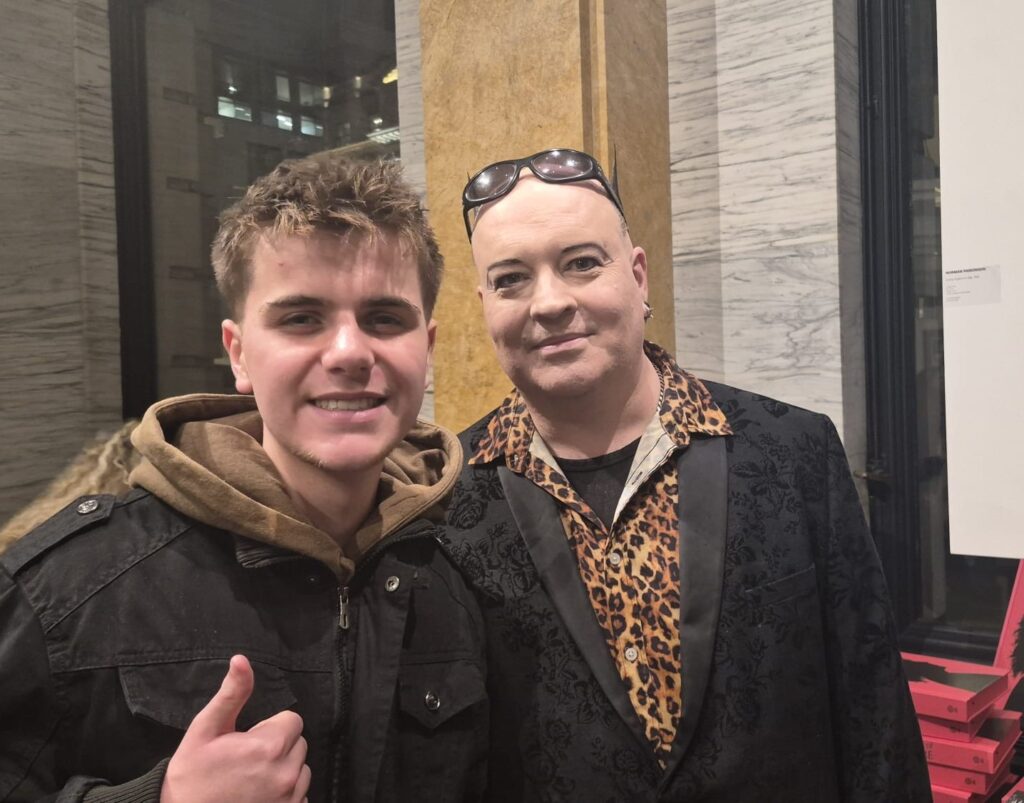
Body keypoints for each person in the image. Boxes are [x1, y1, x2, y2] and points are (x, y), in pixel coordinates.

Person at [444, 148, 930, 801]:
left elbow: (875, 716)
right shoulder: (448, 501)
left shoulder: (793, 452)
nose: (550, 302)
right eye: (511, 279)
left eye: (582, 263)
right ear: (484, 306)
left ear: (638, 276)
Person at [0, 154, 487, 802]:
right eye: (301, 318)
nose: (349, 353)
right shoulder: (70, 589)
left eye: (384, 318)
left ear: (426, 348)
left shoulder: (470, 570)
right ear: (239, 354)